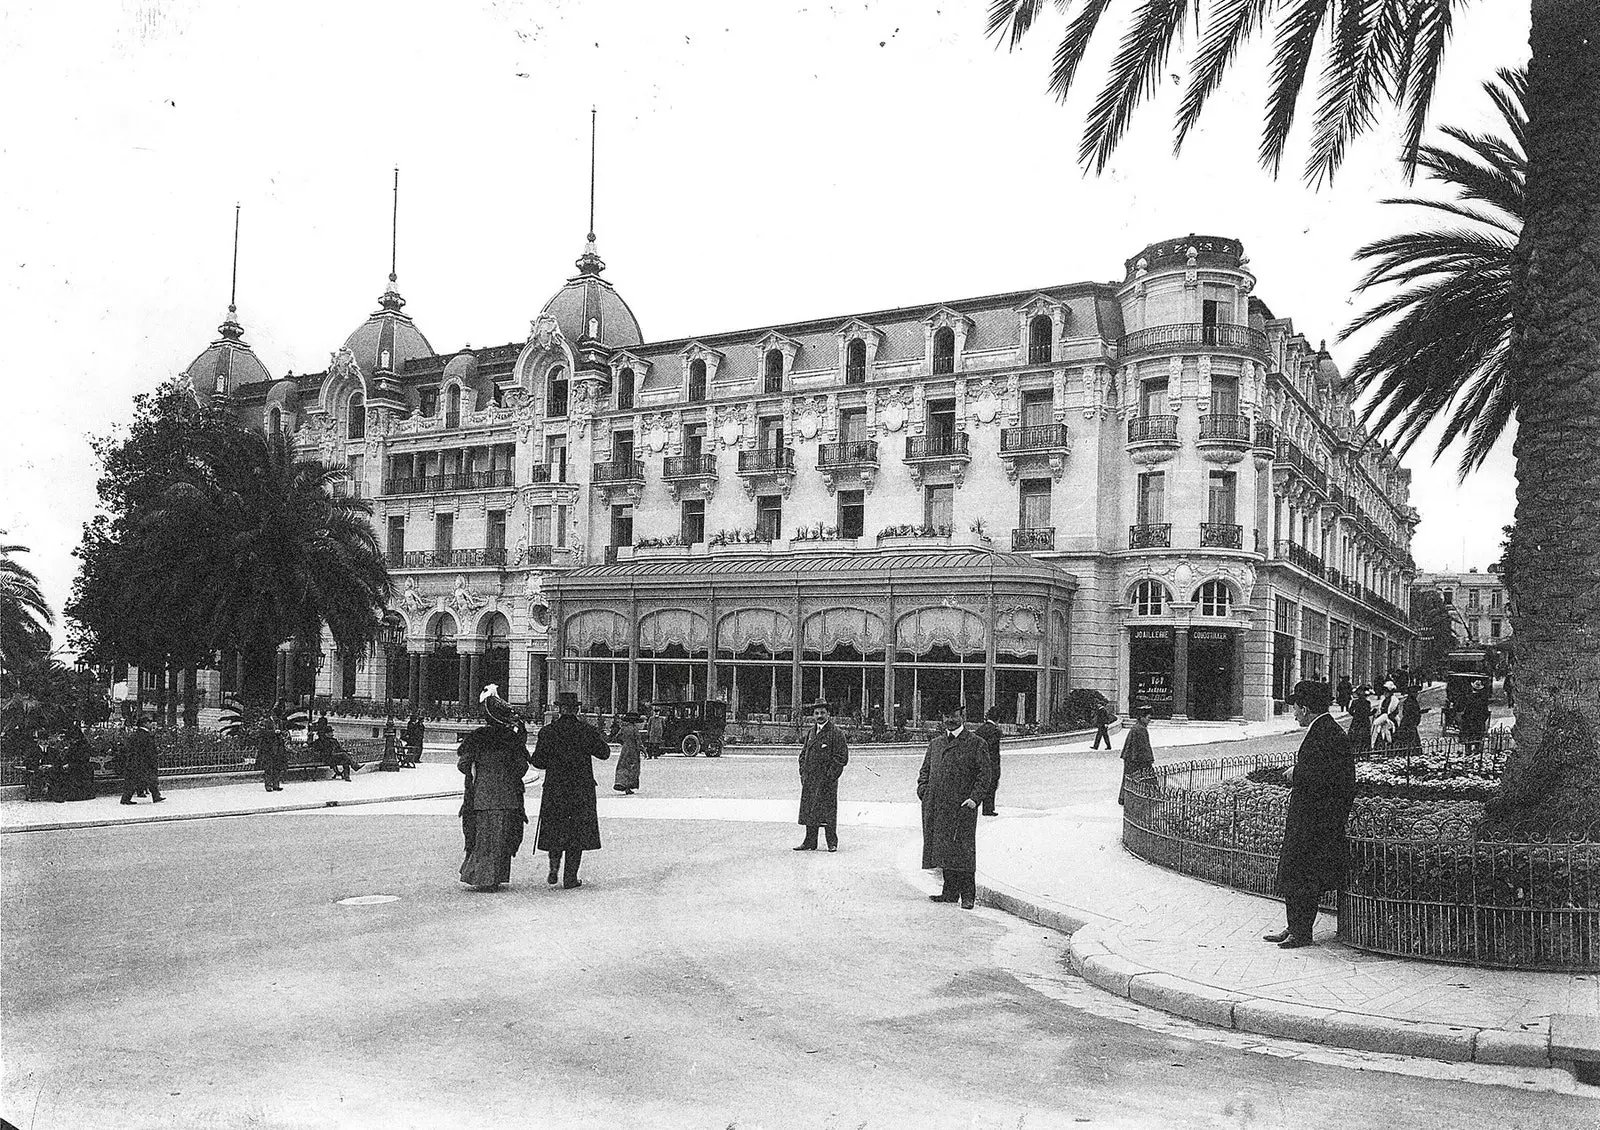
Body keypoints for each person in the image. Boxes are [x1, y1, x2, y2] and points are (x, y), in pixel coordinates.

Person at [1266, 680, 1356, 949]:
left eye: (1295, 708)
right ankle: (1294, 926)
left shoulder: (1326, 733)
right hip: (1312, 819)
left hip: (1315, 822)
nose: (1293, 713)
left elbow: (1329, 778)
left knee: (1303, 876)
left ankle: (1301, 932)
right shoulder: (1325, 730)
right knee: (1297, 873)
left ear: (1305, 709)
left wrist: (1296, 773)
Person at [531, 691, 611, 889]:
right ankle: (570, 878)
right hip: (580, 789)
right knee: (577, 833)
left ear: (559, 709)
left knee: (555, 829)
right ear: (576, 709)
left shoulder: (548, 732)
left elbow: (538, 762)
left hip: (555, 788)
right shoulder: (586, 730)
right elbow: (604, 754)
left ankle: (554, 867)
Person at [918, 704, 993, 910]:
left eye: (954, 716)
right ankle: (949, 892)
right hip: (938, 806)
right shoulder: (936, 744)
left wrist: (974, 799)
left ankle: (968, 896)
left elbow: (985, 774)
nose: (950, 720)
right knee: (944, 848)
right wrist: (923, 791)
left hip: (962, 806)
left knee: (964, 850)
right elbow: (924, 771)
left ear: (963, 717)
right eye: (947, 716)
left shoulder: (976, 743)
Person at [457, 688, 532, 892]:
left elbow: (463, 765)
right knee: (501, 839)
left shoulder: (477, 738)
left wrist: (478, 769)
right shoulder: (512, 741)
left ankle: (482, 877)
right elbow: (522, 768)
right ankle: (494, 877)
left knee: (483, 838)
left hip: (481, 796)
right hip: (507, 796)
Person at [795, 699, 849, 852]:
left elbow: (841, 757)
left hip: (826, 781)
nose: (819, 716)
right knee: (810, 810)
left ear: (828, 714)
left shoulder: (836, 733)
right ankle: (810, 842)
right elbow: (803, 753)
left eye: (822, 713)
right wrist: (803, 772)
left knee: (828, 812)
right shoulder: (811, 732)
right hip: (810, 779)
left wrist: (830, 776)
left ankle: (832, 842)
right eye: (817, 713)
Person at [118, 712, 164, 805]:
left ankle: (155, 796)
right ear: (145, 723)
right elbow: (150, 751)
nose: (151, 724)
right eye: (150, 722)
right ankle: (126, 799)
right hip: (144, 762)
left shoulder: (135, 735)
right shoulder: (146, 735)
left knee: (135, 780)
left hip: (135, 761)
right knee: (149, 779)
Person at [1117, 706, 1156, 805]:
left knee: (1128, 778)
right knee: (1147, 778)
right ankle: (1153, 797)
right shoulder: (1140, 729)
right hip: (1137, 759)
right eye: (1148, 718)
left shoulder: (1136, 727)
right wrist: (1149, 759)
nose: (1149, 721)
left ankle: (1124, 798)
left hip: (1130, 757)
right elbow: (1145, 747)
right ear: (1142, 717)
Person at [974, 705, 1003, 816]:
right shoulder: (996, 731)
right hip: (992, 762)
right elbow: (991, 748)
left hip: (979, 760)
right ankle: (988, 809)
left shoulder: (980, 729)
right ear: (998, 718)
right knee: (992, 785)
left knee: (980, 783)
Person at [1460, 679, 1491, 759]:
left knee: (1469, 737)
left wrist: (1464, 718)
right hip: (1479, 722)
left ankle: (1468, 752)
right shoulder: (1483, 699)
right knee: (1478, 737)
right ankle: (1477, 752)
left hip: (1469, 722)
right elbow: (1485, 712)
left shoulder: (1469, 698)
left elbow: (1466, 711)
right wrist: (1482, 719)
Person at [613, 711, 642, 795]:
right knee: (632, 767)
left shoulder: (624, 728)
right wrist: (643, 750)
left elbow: (617, 737)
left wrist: (624, 743)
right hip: (633, 750)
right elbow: (638, 741)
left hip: (625, 750)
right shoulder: (634, 729)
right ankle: (628, 786)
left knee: (623, 766)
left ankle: (620, 782)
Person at [257, 711, 287, 792]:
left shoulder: (280, 722)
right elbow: (262, 733)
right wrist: (273, 732)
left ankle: (276, 785)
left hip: (278, 748)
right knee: (268, 767)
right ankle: (268, 785)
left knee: (277, 767)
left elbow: (283, 732)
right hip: (268, 748)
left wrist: (283, 734)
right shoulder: (266, 722)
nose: (277, 718)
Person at [1346, 684, 1373, 756]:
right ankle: (1364, 752)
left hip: (1357, 721)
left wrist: (1355, 716)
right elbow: (1368, 713)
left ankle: (1355, 751)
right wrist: (1373, 712)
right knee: (1363, 736)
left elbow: (1350, 711)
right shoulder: (1367, 703)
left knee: (1356, 735)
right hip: (1364, 721)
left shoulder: (1355, 702)